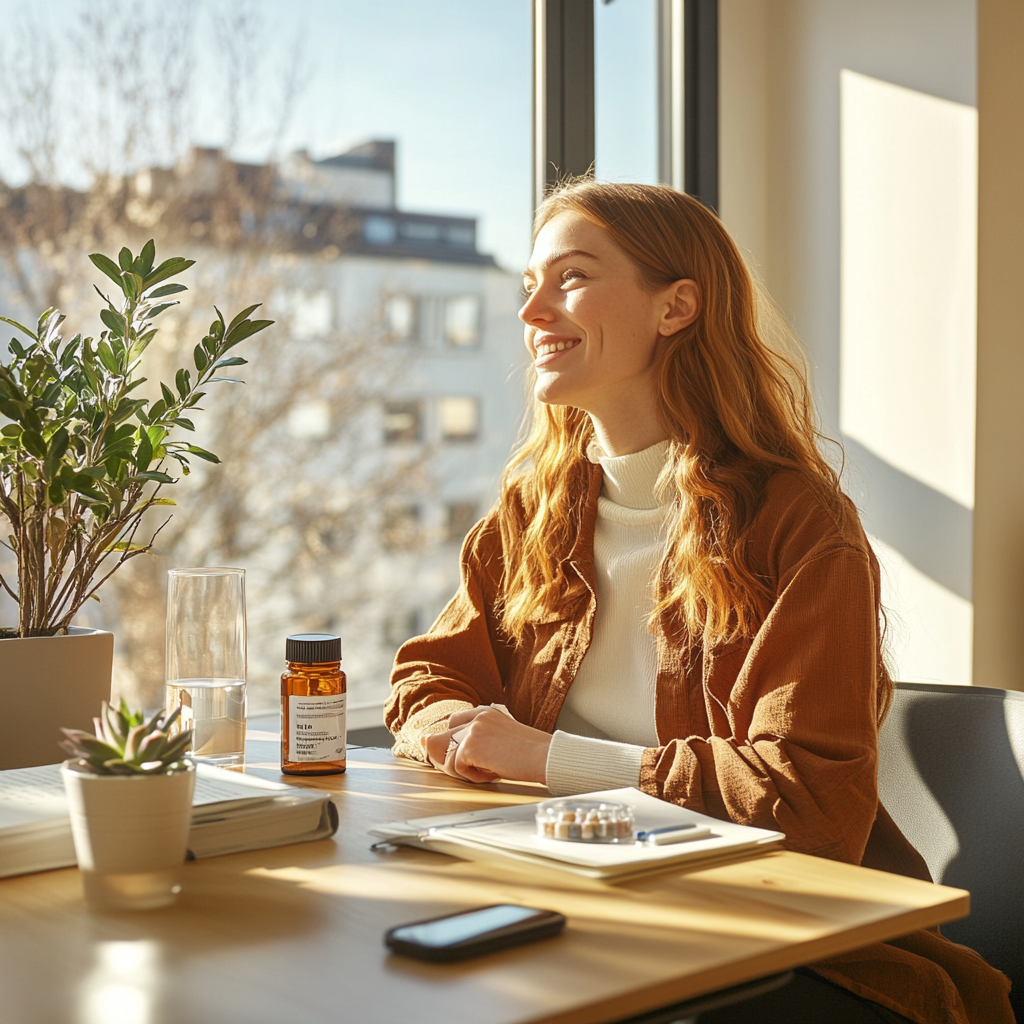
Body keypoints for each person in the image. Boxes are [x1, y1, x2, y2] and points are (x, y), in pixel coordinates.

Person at [384, 180, 1012, 1024]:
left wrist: (540, 757)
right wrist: (456, 734)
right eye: (530, 284)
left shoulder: (798, 524)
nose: (532, 312)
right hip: (577, 899)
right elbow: (427, 677)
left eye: (569, 278)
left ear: (676, 305)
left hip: (784, 936)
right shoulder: (533, 508)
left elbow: (804, 801)